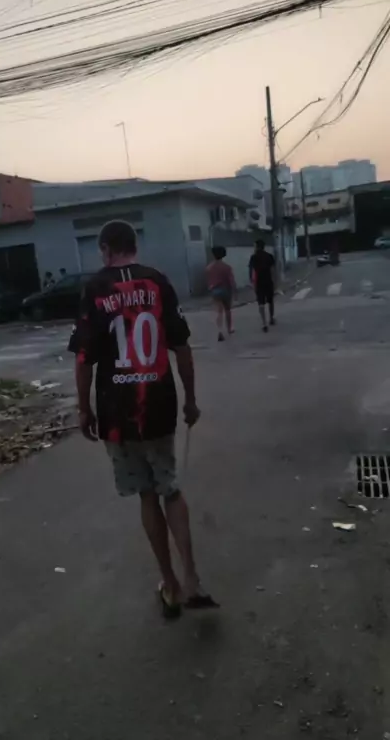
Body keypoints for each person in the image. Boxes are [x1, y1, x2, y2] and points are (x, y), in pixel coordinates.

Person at [69, 219, 217, 619]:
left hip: (117, 412)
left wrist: (84, 408)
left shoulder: (95, 289)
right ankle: (192, 579)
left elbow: (84, 359)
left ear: (105, 248)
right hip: (159, 404)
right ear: (134, 245)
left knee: (147, 495)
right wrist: (191, 400)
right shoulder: (158, 282)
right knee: (171, 489)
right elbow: (181, 347)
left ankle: (170, 584)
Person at [205, 245, 236, 341]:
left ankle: (219, 330)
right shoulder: (227, 267)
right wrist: (234, 291)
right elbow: (231, 281)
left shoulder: (209, 267)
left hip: (215, 290)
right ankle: (229, 328)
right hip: (226, 289)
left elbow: (209, 280)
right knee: (227, 310)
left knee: (219, 311)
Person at [249, 239, 276, 333]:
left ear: (257, 246)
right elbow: (273, 270)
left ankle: (264, 323)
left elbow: (251, 271)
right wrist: (274, 281)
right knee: (270, 301)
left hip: (259, 282)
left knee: (261, 303)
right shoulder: (269, 256)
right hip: (268, 281)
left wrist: (252, 282)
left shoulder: (253, 257)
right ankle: (271, 318)